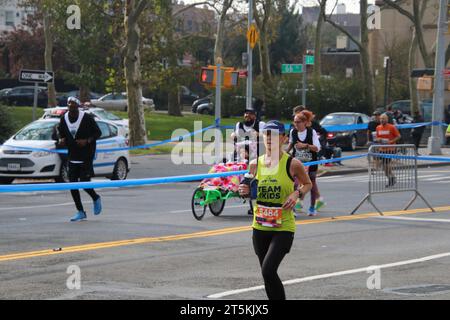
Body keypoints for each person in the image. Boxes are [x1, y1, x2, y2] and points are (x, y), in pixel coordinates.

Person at [238, 120, 312, 300]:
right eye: (266, 135)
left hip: (283, 227)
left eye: (274, 135)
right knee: (267, 275)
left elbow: (307, 184)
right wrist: (244, 191)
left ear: (284, 138)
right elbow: (247, 190)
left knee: (268, 270)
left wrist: (296, 193)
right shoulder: (256, 163)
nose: (269, 139)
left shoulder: (292, 164)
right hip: (260, 226)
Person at [56, 97, 102, 222]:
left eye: (74, 107)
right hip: (72, 156)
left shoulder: (87, 118)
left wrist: (86, 141)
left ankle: (95, 197)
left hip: (86, 156)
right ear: (67, 107)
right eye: (70, 107)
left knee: (84, 182)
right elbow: (59, 132)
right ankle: (80, 211)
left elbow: (98, 133)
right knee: (73, 185)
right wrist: (61, 139)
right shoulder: (64, 119)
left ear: (78, 107)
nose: (72, 110)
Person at [287, 111, 322, 216]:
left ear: (305, 122)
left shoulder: (312, 132)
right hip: (297, 163)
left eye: (298, 122)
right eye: (294, 122)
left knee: (311, 184)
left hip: (311, 162)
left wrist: (305, 145)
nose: (296, 124)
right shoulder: (293, 132)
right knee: (294, 184)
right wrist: (283, 153)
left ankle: (312, 208)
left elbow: (317, 148)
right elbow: (290, 145)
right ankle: (292, 208)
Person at [231, 109, 265, 215]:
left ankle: (255, 206)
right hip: (242, 153)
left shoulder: (260, 124)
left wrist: (257, 134)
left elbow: (266, 136)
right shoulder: (239, 125)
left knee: (254, 180)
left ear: (254, 116)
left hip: (257, 155)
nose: (247, 115)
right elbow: (235, 139)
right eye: (245, 113)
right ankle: (229, 184)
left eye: (250, 114)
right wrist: (233, 136)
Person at [375, 113, 401, 187]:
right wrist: (378, 140)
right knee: (384, 166)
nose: (382, 120)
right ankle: (391, 178)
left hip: (390, 148)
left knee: (386, 164)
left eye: (383, 118)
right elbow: (377, 137)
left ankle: (391, 178)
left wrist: (391, 142)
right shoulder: (378, 127)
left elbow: (398, 136)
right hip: (382, 149)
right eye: (381, 119)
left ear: (387, 119)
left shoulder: (391, 127)